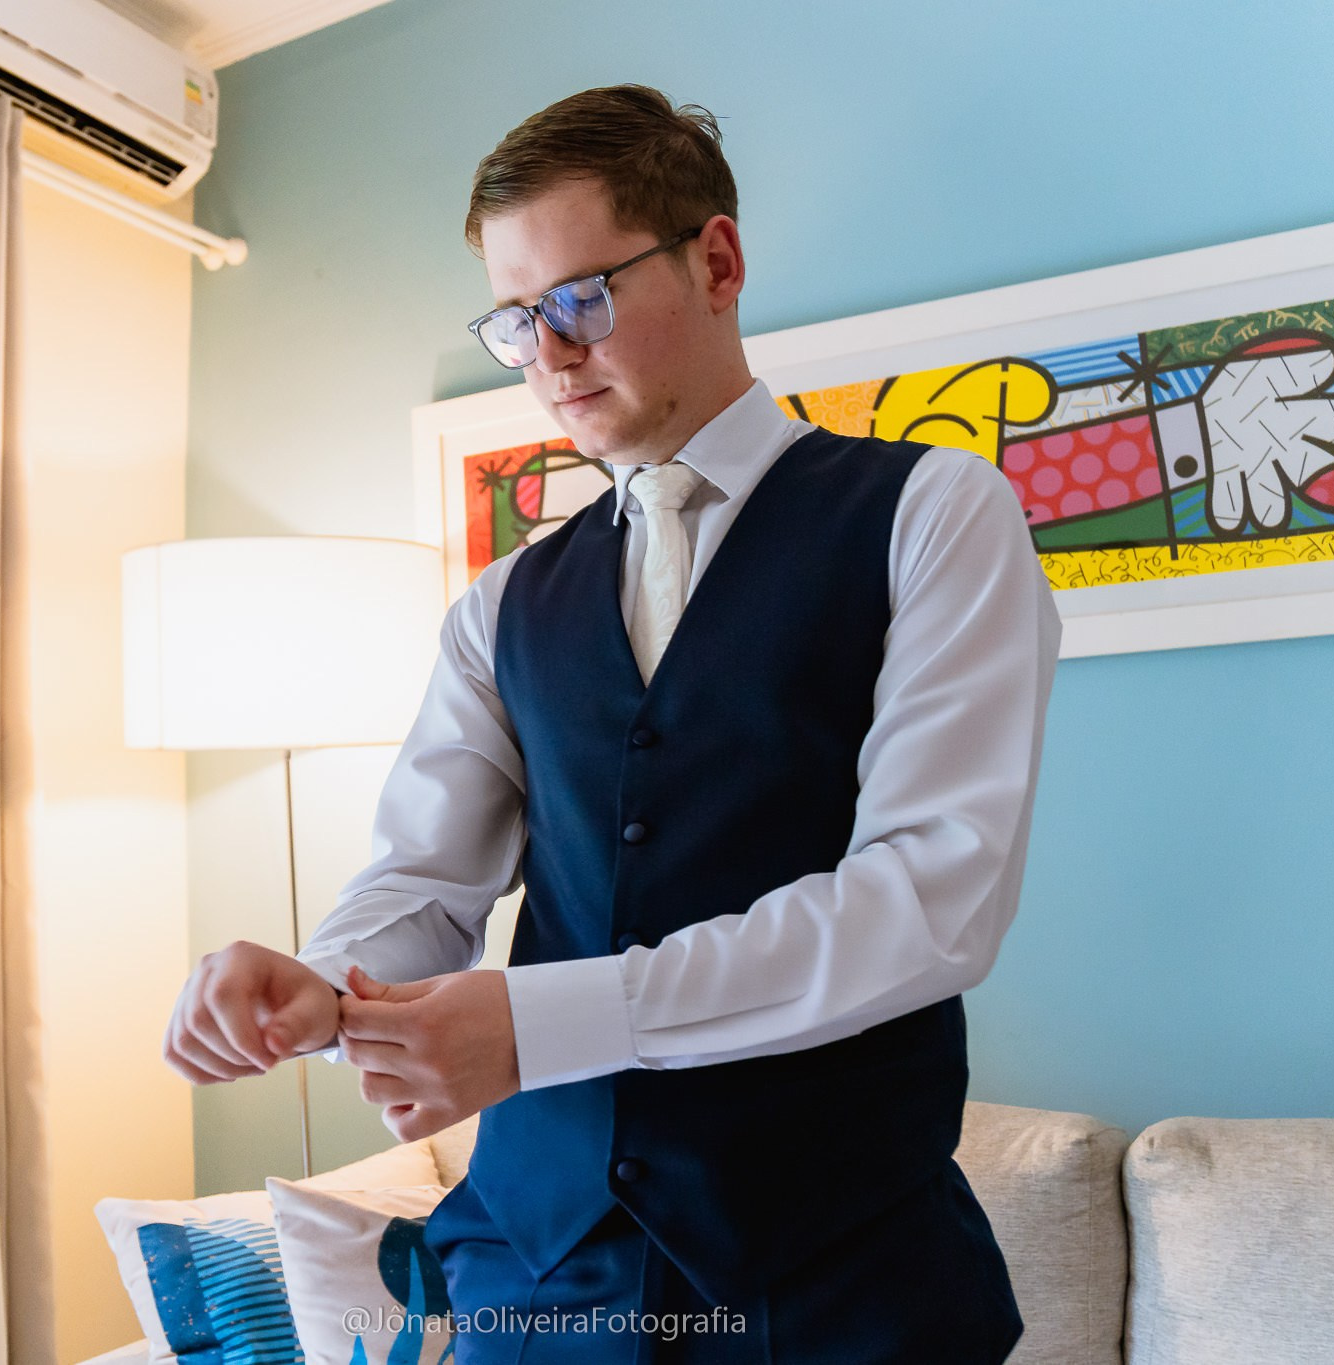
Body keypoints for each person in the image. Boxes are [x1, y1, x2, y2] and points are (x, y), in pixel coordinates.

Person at [163, 83, 1060, 1364]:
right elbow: (422, 882)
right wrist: (321, 981)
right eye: (514, 322)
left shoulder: (931, 512)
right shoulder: (500, 602)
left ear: (716, 260)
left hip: (838, 1284)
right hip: (539, 1285)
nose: (547, 356)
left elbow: (927, 903)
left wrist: (539, 1023)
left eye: (579, 301)